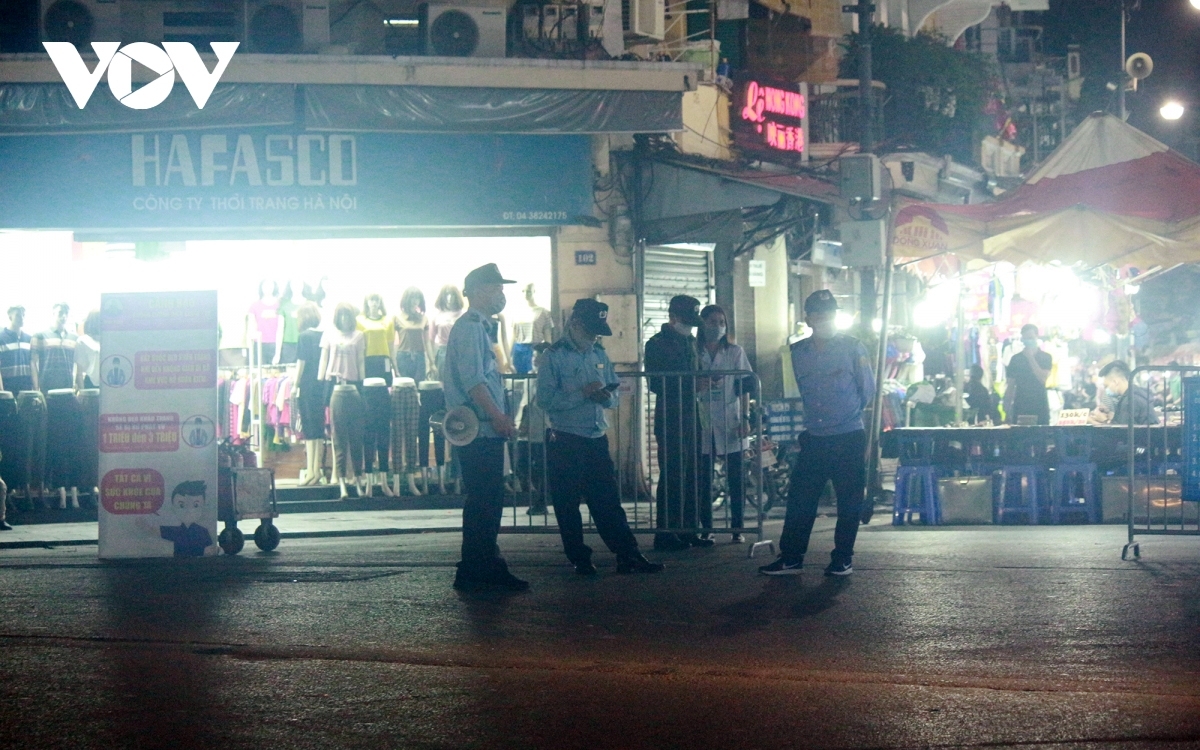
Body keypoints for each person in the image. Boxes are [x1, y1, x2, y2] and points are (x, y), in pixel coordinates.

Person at [537, 299, 663, 575]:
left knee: (607, 500)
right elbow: (545, 400)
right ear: (576, 323)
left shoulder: (598, 354)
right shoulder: (553, 356)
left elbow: (614, 394)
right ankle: (579, 558)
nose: (595, 336)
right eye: (591, 329)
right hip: (566, 438)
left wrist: (606, 396)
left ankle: (627, 554)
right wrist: (582, 393)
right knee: (568, 504)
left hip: (595, 436)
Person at [760, 290, 875, 577]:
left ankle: (842, 558)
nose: (824, 319)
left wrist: (844, 415)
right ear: (807, 318)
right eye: (817, 314)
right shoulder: (797, 352)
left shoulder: (853, 347)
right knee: (800, 500)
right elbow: (792, 392)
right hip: (813, 438)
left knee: (848, 501)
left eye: (828, 313)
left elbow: (868, 391)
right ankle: (791, 558)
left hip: (848, 436)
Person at [444, 263, 527, 592]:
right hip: (479, 429)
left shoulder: (480, 327)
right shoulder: (471, 327)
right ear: (477, 291)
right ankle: (478, 568)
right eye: (496, 288)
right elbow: (474, 380)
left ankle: (481, 565)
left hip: (485, 427)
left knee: (487, 499)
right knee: (485, 500)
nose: (501, 294)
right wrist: (497, 415)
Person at [644, 294, 711, 551]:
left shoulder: (691, 341)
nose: (691, 326)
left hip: (692, 413)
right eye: (686, 320)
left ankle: (688, 530)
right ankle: (666, 532)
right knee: (673, 473)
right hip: (670, 413)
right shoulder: (658, 344)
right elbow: (656, 383)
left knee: (692, 473)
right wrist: (691, 384)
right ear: (673, 317)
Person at [696, 304, 753, 544]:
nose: (718, 326)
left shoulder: (734, 352)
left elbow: (745, 387)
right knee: (703, 478)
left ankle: (737, 528)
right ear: (702, 324)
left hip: (731, 419)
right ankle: (706, 528)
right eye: (712, 322)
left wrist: (746, 418)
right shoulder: (693, 351)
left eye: (722, 322)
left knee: (736, 478)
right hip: (702, 419)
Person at [1004, 324, 1052, 425]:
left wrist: (1030, 358)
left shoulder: (1046, 357)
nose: (1028, 341)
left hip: (1040, 404)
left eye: (1030, 338)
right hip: (1021, 405)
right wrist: (1006, 408)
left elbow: (1043, 379)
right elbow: (1010, 386)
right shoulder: (1016, 359)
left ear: (1037, 337)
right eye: (1025, 338)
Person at [1091, 360, 1155, 426]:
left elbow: (1123, 433)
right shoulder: (1135, 394)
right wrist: (1111, 415)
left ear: (1115, 382)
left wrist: (1104, 420)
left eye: (1106, 386)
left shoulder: (1130, 401)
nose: (1105, 389)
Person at [429, 284, 464, 381]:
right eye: (446, 294)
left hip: (460, 351)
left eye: (452, 294)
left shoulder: (463, 315)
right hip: (443, 352)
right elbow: (430, 340)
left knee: (459, 380)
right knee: (443, 380)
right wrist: (431, 362)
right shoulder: (437, 316)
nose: (449, 297)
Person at [0, 305, 36, 394]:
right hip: (8, 389)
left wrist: (36, 388)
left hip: (27, 389)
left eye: (23, 315)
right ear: (10, 317)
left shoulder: (29, 339)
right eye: (18, 315)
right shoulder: (1, 338)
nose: (22, 318)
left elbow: (32, 364)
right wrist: (2, 391)